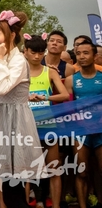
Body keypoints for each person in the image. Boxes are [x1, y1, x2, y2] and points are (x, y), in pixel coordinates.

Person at [0, 11, 43, 207]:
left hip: (15, 123)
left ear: (11, 35)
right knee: (5, 181)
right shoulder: (4, 58)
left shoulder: (18, 60)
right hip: (0, 120)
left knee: (14, 185)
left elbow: (2, 88)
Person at [23, 33, 69, 208]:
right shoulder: (20, 73)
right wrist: (26, 97)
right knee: (27, 171)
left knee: (54, 169)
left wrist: (45, 98)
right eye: (33, 52)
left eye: (40, 53)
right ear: (25, 51)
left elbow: (64, 94)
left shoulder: (49, 71)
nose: (37, 56)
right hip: (26, 125)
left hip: (48, 124)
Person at [64, 40, 102, 208]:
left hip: (101, 129)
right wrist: (79, 123)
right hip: (80, 131)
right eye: (78, 53)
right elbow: (68, 108)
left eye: (86, 53)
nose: (81, 56)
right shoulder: (71, 80)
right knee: (82, 172)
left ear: (95, 56)